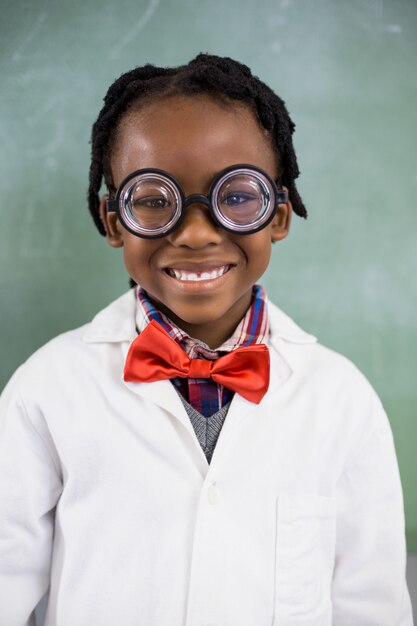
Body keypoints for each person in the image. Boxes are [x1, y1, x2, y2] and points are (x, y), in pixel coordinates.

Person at [0, 54, 413, 626]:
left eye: (237, 197)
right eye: (152, 199)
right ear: (114, 220)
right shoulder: (47, 390)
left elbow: (374, 606)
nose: (195, 233)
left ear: (280, 215)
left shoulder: (342, 400)